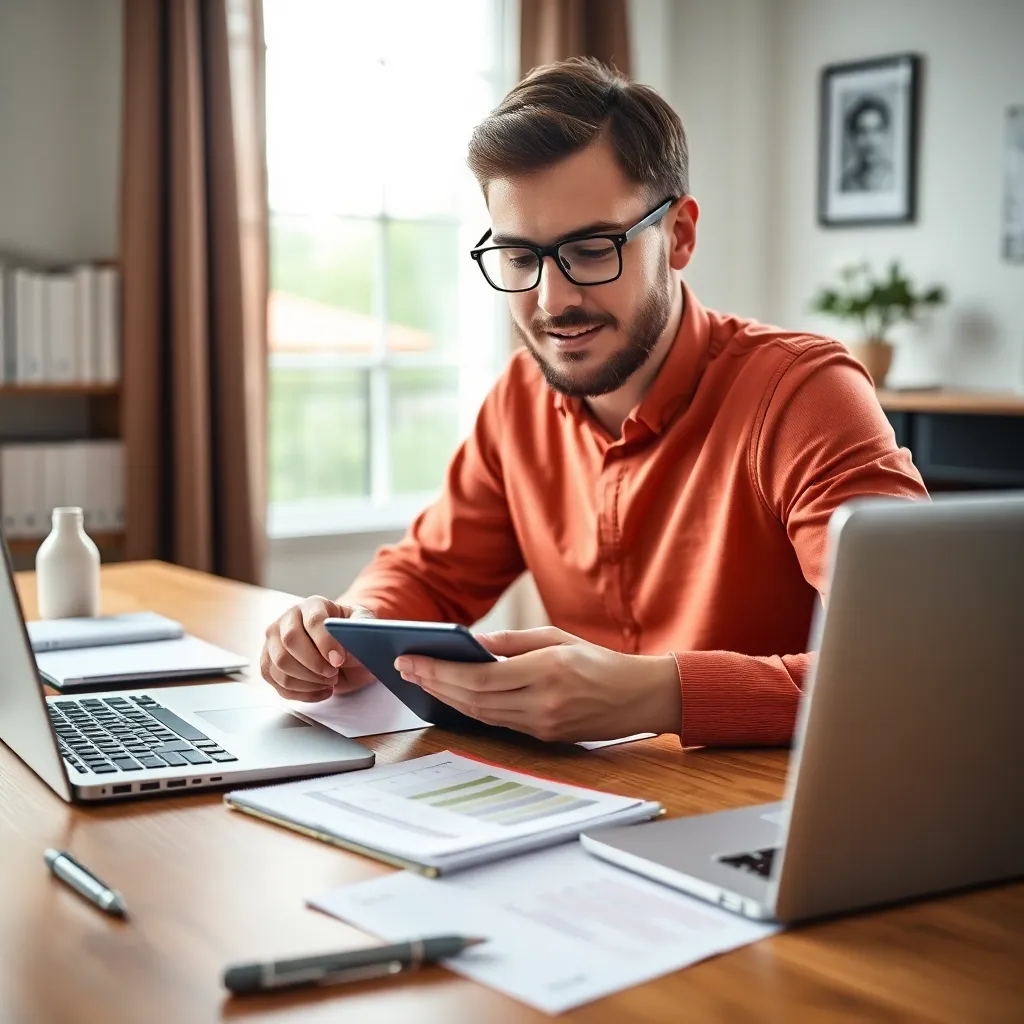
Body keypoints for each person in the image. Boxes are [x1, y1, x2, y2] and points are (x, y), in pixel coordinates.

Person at [261, 58, 927, 746]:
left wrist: (661, 694)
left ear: (680, 235)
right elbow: (429, 571)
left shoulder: (804, 394)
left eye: (590, 249)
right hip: (582, 794)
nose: (553, 301)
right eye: (521, 257)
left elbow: (916, 656)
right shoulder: (519, 399)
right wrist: (347, 632)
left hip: (773, 801)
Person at [840, 94, 894, 192]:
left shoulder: (894, 177)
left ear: (884, 133)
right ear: (853, 137)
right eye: (862, 131)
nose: (870, 140)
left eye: (876, 130)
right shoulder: (846, 182)